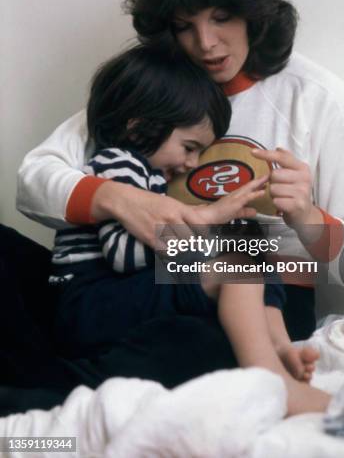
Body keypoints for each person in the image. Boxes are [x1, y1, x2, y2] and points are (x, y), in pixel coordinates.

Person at [17, 0, 344, 361]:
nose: (206, 43)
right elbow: (32, 181)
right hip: (131, 292)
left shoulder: (316, 97)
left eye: (222, 16)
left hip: (259, 307)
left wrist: (309, 219)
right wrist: (122, 200)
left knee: (201, 338)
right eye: (184, 26)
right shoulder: (155, 91)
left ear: (253, 9)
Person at [49, 42, 329, 415]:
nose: (191, 163)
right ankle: (272, 380)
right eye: (189, 147)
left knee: (247, 243)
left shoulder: (144, 171)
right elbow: (121, 255)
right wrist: (206, 221)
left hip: (121, 293)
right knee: (234, 260)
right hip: (91, 302)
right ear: (139, 127)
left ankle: (280, 350)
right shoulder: (119, 162)